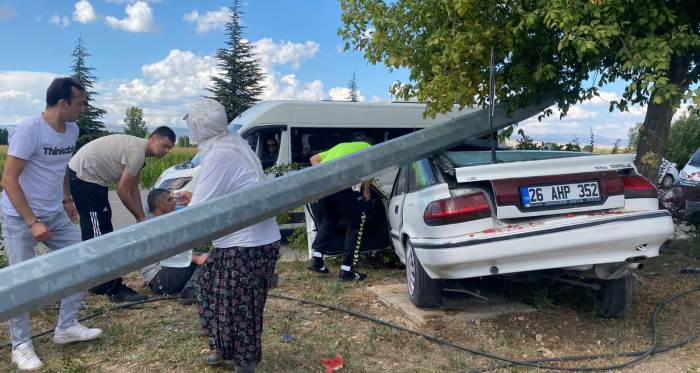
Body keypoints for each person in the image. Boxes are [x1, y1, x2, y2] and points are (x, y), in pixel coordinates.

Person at [1, 77, 103, 371]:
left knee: (82, 261)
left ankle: (66, 326)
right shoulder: (29, 131)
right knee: (21, 280)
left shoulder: (71, 130)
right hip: (20, 218)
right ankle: (21, 346)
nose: (83, 109)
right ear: (63, 103)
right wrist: (32, 222)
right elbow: (8, 180)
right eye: (80, 103)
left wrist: (67, 200)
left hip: (54, 214)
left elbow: (60, 169)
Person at [184, 98, 281, 373]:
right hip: (239, 240)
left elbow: (199, 208)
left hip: (248, 243)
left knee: (242, 307)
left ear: (198, 129)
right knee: (209, 291)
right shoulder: (232, 143)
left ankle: (245, 362)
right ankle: (223, 347)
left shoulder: (222, 153)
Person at [68, 127, 176, 302]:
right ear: (153, 139)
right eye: (164, 145)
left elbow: (133, 188)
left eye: (169, 148)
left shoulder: (140, 154)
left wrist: (142, 218)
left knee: (105, 229)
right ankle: (112, 289)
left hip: (95, 180)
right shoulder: (137, 153)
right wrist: (140, 218)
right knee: (98, 236)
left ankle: (100, 284)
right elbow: (122, 191)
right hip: (84, 177)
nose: (166, 151)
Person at [307, 137, 374, 281]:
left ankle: (316, 259)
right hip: (341, 185)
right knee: (355, 223)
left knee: (331, 218)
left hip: (325, 188)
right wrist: (366, 192)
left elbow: (313, 159)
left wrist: (326, 177)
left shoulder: (339, 147)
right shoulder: (368, 147)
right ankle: (347, 269)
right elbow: (369, 170)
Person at [140, 188, 207, 305]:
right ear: (158, 204)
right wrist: (197, 259)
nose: (173, 202)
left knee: (200, 256)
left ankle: (190, 287)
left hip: (158, 280)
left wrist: (145, 281)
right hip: (162, 280)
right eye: (169, 199)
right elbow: (170, 254)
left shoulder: (150, 221)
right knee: (207, 262)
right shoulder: (157, 225)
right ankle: (190, 291)